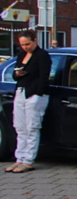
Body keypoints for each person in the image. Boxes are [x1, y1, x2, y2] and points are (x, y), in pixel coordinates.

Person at [7, 30, 52, 173]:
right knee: (20, 127)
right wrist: (17, 73)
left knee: (32, 127)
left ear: (35, 41)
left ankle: (28, 160)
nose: (25, 47)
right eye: (22, 45)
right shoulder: (21, 55)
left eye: (27, 44)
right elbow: (15, 76)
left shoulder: (42, 55)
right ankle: (19, 158)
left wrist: (38, 93)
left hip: (34, 94)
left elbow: (44, 76)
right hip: (21, 91)